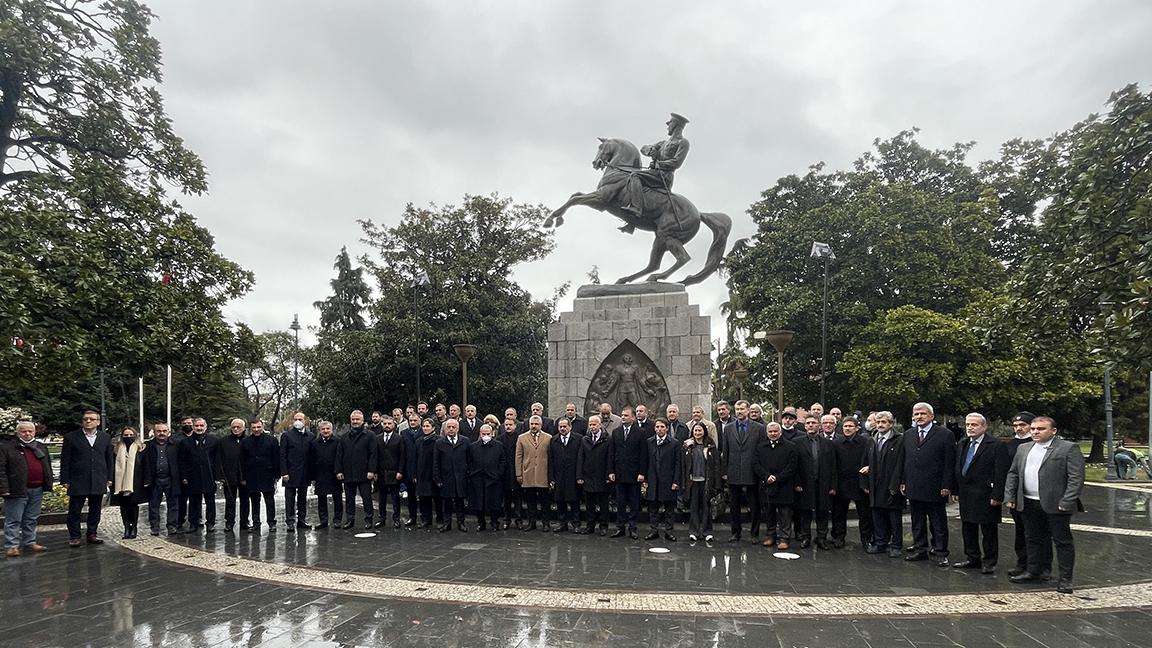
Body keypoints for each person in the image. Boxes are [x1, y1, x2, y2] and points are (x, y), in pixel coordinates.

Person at [1004, 416, 1085, 594]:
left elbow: (1076, 478)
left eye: (1040, 429)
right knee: (1032, 538)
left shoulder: (1067, 448)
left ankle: (1065, 579)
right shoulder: (1024, 448)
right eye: (1033, 428)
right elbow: (1013, 473)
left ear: (1053, 431)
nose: (1035, 432)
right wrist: (1010, 496)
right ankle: (1033, 571)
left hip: (1056, 504)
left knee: (1062, 541)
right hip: (1028, 502)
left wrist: (1067, 500)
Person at [952, 413, 1011, 574]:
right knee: (968, 527)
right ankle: (972, 557)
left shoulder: (995, 445)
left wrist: (997, 495)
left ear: (984, 427)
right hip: (966, 493)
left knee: (988, 530)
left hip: (986, 494)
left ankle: (990, 561)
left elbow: (1001, 472)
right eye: (968, 425)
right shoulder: (963, 444)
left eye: (974, 425)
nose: (970, 428)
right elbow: (958, 467)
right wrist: (956, 490)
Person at [899, 402, 956, 566]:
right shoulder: (908, 435)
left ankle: (940, 551)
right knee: (917, 521)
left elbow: (949, 462)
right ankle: (920, 549)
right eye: (916, 414)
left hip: (936, 487)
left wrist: (947, 485)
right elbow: (905, 460)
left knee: (938, 522)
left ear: (931, 416)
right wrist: (903, 480)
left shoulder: (945, 434)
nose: (919, 417)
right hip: (914, 485)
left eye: (922, 414)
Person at [59, 409, 114, 546]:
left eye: (91, 419)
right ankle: (75, 536)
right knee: (75, 510)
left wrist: (109, 477)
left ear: (98, 422)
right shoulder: (71, 437)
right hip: (78, 479)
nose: (88, 421)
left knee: (95, 510)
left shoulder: (105, 437)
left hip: (98, 478)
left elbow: (109, 460)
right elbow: (65, 460)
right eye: (85, 419)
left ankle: (92, 533)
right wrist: (65, 479)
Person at [1, 421, 53, 557]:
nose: (27, 433)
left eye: (30, 431)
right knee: (14, 519)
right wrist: (4, 488)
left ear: (35, 432)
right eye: (24, 431)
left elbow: (47, 466)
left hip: (37, 488)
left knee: (31, 518)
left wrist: (48, 483)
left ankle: (30, 542)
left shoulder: (40, 447)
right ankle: (12, 546)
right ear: (18, 433)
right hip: (16, 489)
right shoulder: (8, 447)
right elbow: (1, 470)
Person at [863, 411, 905, 557]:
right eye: (878, 422)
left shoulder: (899, 440)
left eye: (884, 422)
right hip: (875, 484)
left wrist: (897, 484)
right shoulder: (872, 439)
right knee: (877, 515)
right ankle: (880, 542)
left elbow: (901, 463)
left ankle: (896, 545)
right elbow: (868, 462)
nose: (880, 425)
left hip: (892, 484)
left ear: (891, 424)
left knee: (894, 518)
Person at [721, 400, 763, 542]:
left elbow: (760, 451)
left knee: (754, 505)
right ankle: (735, 532)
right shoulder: (728, 428)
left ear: (748, 411)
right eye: (737, 409)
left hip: (752, 472)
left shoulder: (758, 428)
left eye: (742, 409)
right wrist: (725, 471)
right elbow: (725, 451)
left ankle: (754, 534)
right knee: (734, 506)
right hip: (733, 471)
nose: (739, 411)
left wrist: (760, 471)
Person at [794, 414, 837, 549]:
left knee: (823, 512)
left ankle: (821, 538)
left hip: (823, 483)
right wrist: (797, 483)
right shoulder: (797, 442)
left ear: (819, 425)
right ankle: (806, 537)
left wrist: (833, 485)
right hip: (805, 484)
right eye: (808, 423)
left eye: (813, 423)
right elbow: (794, 465)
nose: (811, 425)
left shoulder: (828, 443)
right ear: (805, 426)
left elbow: (833, 465)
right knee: (805, 512)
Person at [753, 421, 798, 549]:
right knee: (769, 513)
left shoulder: (791, 446)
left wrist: (777, 478)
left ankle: (784, 538)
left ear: (780, 432)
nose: (773, 434)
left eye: (775, 431)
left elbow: (792, 466)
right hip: (767, 485)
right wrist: (766, 476)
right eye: (770, 432)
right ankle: (770, 536)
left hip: (784, 485)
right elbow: (756, 464)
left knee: (785, 514)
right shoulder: (760, 447)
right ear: (767, 433)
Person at [831, 417, 873, 549]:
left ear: (857, 428)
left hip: (859, 483)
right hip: (842, 484)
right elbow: (833, 465)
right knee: (839, 513)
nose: (847, 428)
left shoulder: (865, 442)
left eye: (850, 426)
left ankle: (866, 539)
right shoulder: (836, 443)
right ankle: (839, 537)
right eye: (845, 426)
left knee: (864, 514)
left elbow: (868, 462)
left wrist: (866, 483)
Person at [1005, 412, 1038, 576]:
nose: (1019, 429)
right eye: (1016, 426)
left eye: (1022, 425)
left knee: (1038, 534)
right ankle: (1022, 563)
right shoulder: (1011, 445)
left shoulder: (1037, 443)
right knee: (1020, 532)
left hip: (1038, 496)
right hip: (1018, 497)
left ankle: (1039, 566)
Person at [335, 410, 377, 530]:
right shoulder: (344, 437)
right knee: (349, 499)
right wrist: (339, 471)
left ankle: (369, 520)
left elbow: (373, 454)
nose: (355, 422)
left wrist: (371, 470)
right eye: (353, 419)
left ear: (362, 421)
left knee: (367, 498)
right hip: (348, 473)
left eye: (357, 419)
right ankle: (350, 520)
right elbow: (339, 455)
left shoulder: (370, 435)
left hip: (364, 473)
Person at [609, 407, 647, 539]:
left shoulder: (640, 433)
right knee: (620, 502)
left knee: (634, 502)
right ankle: (620, 527)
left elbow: (643, 454)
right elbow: (612, 453)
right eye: (622, 415)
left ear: (633, 418)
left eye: (626, 415)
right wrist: (611, 471)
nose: (623, 417)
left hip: (634, 474)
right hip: (619, 473)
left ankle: (633, 527)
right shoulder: (616, 432)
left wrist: (642, 473)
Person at [643, 418, 681, 541]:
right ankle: (654, 530)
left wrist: (676, 481)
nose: (659, 429)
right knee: (653, 507)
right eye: (657, 427)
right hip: (653, 479)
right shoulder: (649, 442)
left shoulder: (674, 443)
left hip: (668, 480)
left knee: (669, 508)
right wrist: (645, 479)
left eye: (662, 427)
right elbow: (645, 461)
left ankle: (669, 531)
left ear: (666, 428)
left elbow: (677, 463)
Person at [178, 417, 218, 532]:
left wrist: (217, 476)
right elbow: (182, 461)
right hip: (192, 475)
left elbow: (217, 459)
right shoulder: (185, 442)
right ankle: (193, 523)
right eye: (197, 426)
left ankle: (210, 523)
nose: (199, 428)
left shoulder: (214, 441)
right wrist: (184, 476)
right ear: (193, 427)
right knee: (194, 501)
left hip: (208, 475)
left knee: (210, 500)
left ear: (206, 427)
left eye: (201, 426)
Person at [681, 421, 719, 542]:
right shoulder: (687, 446)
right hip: (692, 482)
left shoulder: (711, 446)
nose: (697, 433)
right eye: (695, 430)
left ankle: (707, 532)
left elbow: (716, 466)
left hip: (706, 482)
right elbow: (683, 465)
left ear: (704, 432)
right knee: (694, 507)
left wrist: (717, 484)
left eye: (700, 430)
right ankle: (694, 531)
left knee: (706, 507)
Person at [142, 422, 181, 535]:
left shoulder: (176, 445)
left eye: (164, 431)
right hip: (155, 479)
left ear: (168, 432)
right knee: (153, 505)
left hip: (171, 478)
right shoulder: (148, 446)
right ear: (154, 433)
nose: (161, 433)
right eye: (159, 431)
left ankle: (172, 526)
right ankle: (155, 527)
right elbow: (145, 464)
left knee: (173, 504)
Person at [516, 415, 552, 531]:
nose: (534, 426)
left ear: (541, 425)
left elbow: (551, 457)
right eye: (532, 424)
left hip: (543, 474)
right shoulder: (521, 438)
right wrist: (519, 474)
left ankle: (546, 523)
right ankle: (532, 522)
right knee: (530, 501)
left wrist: (551, 476)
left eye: (536, 424)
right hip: (528, 473)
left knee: (544, 501)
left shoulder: (548, 438)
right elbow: (518, 456)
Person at [242, 419, 279, 532]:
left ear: (263, 426)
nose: (256, 430)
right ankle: (256, 523)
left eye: (258, 427)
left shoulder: (272, 440)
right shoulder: (246, 442)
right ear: (250, 428)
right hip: (251, 475)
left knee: (269, 500)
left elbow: (276, 458)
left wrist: (277, 475)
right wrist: (243, 477)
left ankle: (271, 522)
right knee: (254, 500)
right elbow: (242, 460)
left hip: (267, 474)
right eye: (254, 428)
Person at [434, 418, 471, 532]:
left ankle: (461, 523)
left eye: (453, 427)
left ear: (457, 428)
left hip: (461, 477)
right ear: (445, 429)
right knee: (447, 502)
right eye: (448, 427)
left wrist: (468, 475)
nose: (451, 429)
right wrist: (437, 478)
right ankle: (447, 523)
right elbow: (436, 462)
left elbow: (469, 460)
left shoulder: (465, 441)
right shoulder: (439, 442)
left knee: (460, 501)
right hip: (446, 477)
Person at [548, 417, 584, 533]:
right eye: (560, 427)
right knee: (560, 501)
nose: (562, 429)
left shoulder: (578, 439)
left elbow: (581, 458)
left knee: (574, 501)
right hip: (559, 476)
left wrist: (579, 476)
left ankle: (576, 524)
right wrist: (552, 477)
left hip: (573, 475)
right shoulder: (554, 440)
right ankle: (562, 523)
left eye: (565, 426)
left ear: (570, 427)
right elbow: (551, 460)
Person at [110, 426, 146, 539]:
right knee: (123, 505)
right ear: (122, 436)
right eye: (126, 435)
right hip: (119, 482)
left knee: (133, 504)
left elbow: (146, 465)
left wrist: (146, 480)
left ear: (135, 436)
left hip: (135, 481)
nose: (128, 437)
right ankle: (126, 528)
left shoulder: (141, 449)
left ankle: (134, 527)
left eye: (131, 435)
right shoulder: (116, 449)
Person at [467, 424, 505, 531]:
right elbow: (469, 461)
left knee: (494, 502)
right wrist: (472, 473)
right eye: (484, 434)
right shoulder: (473, 446)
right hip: (478, 478)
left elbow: (503, 461)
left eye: (488, 434)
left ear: (492, 433)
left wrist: (498, 474)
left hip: (493, 479)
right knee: (479, 502)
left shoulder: (499, 445)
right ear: (480, 434)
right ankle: (481, 522)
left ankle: (494, 522)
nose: (486, 436)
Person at [280, 411, 314, 531]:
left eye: (300, 419)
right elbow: (282, 455)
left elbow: (312, 456)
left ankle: (302, 520)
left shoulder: (310, 436)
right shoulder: (286, 436)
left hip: (305, 473)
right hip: (290, 473)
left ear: (305, 421)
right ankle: (290, 521)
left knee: (302, 498)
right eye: (295, 419)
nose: (298, 421)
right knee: (289, 498)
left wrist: (312, 474)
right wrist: (284, 472)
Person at [579, 415, 613, 535]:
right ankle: (590, 526)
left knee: (603, 504)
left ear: (600, 425)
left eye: (594, 424)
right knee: (589, 504)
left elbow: (610, 458)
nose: (592, 427)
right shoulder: (584, 440)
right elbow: (580, 458)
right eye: (590, 424)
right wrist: (580, 476)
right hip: (588, 476)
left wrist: (609, 475)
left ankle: (603, 526)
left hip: (602, 476)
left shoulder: (607, 439)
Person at [215, 418, 248, 533]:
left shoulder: (248, 441)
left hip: (245, 477)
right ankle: (229, 522)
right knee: (230, 500)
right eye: (234, 427)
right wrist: (220, 476)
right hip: (229, 476)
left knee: (245, 501)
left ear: (243, 428)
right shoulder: (223, 441)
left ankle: (244, 522)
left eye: (238, 427)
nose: (236, 429)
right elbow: (218, 459)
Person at [374, 415, 406, 529]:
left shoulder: (399, 438)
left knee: (395, 498)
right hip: (381, 472)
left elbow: (402, 456)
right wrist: (375, 471)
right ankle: (381, 519)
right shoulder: (377, 438)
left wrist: (400, 471)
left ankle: (396, 519)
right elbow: (375, 456)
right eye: (385, 424)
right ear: (382, 424)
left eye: (389, 424)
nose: (387, 426)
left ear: (394, 425)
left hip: (394, 472)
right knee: (381, 498)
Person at [310, 421, 343, 529]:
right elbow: (312, 460)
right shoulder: (315, 443)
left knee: (337, 498)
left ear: (331, 429)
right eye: (323, 429)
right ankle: (323, 521)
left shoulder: (338, 441)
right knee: (321, 498)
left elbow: (340, 458)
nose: (325, 431)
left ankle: (337, 520)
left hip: (334, 473)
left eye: (328, 429)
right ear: (320, 430)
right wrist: (313, 477)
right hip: (320, 474)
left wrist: (339, 471)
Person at [413, 418, 441, 529]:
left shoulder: (438, 440)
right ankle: (426, 519)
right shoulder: (419, 441)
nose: (425, 428)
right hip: (422, 473)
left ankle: (440, 519)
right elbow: (415, 458)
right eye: (424, 426)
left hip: (434, 473)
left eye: (428, 426)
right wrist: (414, 474)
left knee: (437, 499)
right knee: (424, 499)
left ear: (433, 427)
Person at [500, 417, 525, 529]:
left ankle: (518, 519)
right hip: (505, 472)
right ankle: (506, 519)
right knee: (506, 499)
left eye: (510, 425)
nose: (508, 427)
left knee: (518, 498)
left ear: (515, 426)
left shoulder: (520, 438)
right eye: (506, 425)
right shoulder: (500, 439)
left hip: (517, 471)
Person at [401, 413, 423, 526]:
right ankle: (412, 517)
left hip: (422, 469)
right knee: (411, 496)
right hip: (409, 469)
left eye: (415, 420)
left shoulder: (424, 432)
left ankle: (425, 518)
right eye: (411, 421)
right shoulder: (404, 433)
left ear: (420, 421)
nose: (413, 422)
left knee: (424, 496)